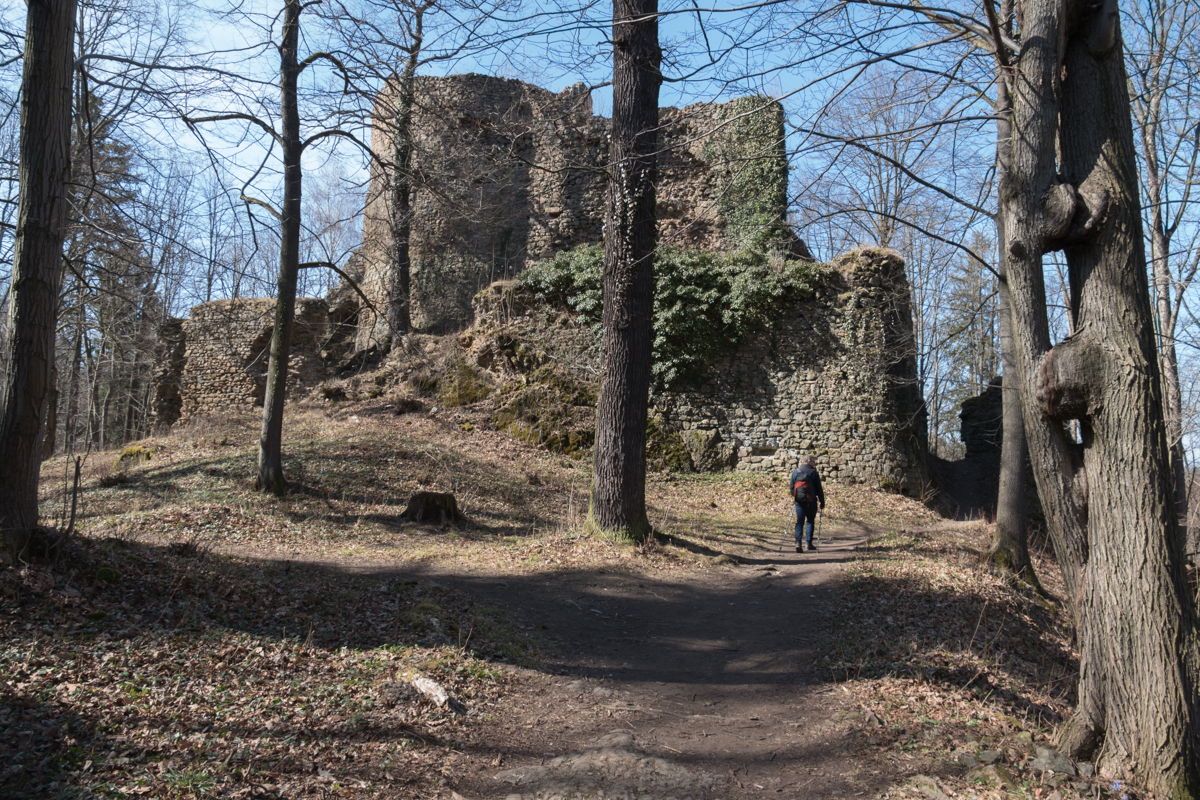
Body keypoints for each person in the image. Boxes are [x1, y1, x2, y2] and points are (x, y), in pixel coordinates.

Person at [790, 455, 825, 552]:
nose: (815, 462)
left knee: (799, 521)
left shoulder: (795, 472)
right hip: (811, 501)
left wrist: (796, 496)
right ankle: (808, 543)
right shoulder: (814, 473)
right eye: (813, 460)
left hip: (799, 501)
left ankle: (798, 542)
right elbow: (819, 489)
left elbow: (791, 488)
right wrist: (822, 501)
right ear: (809, 461)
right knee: (810, 521)